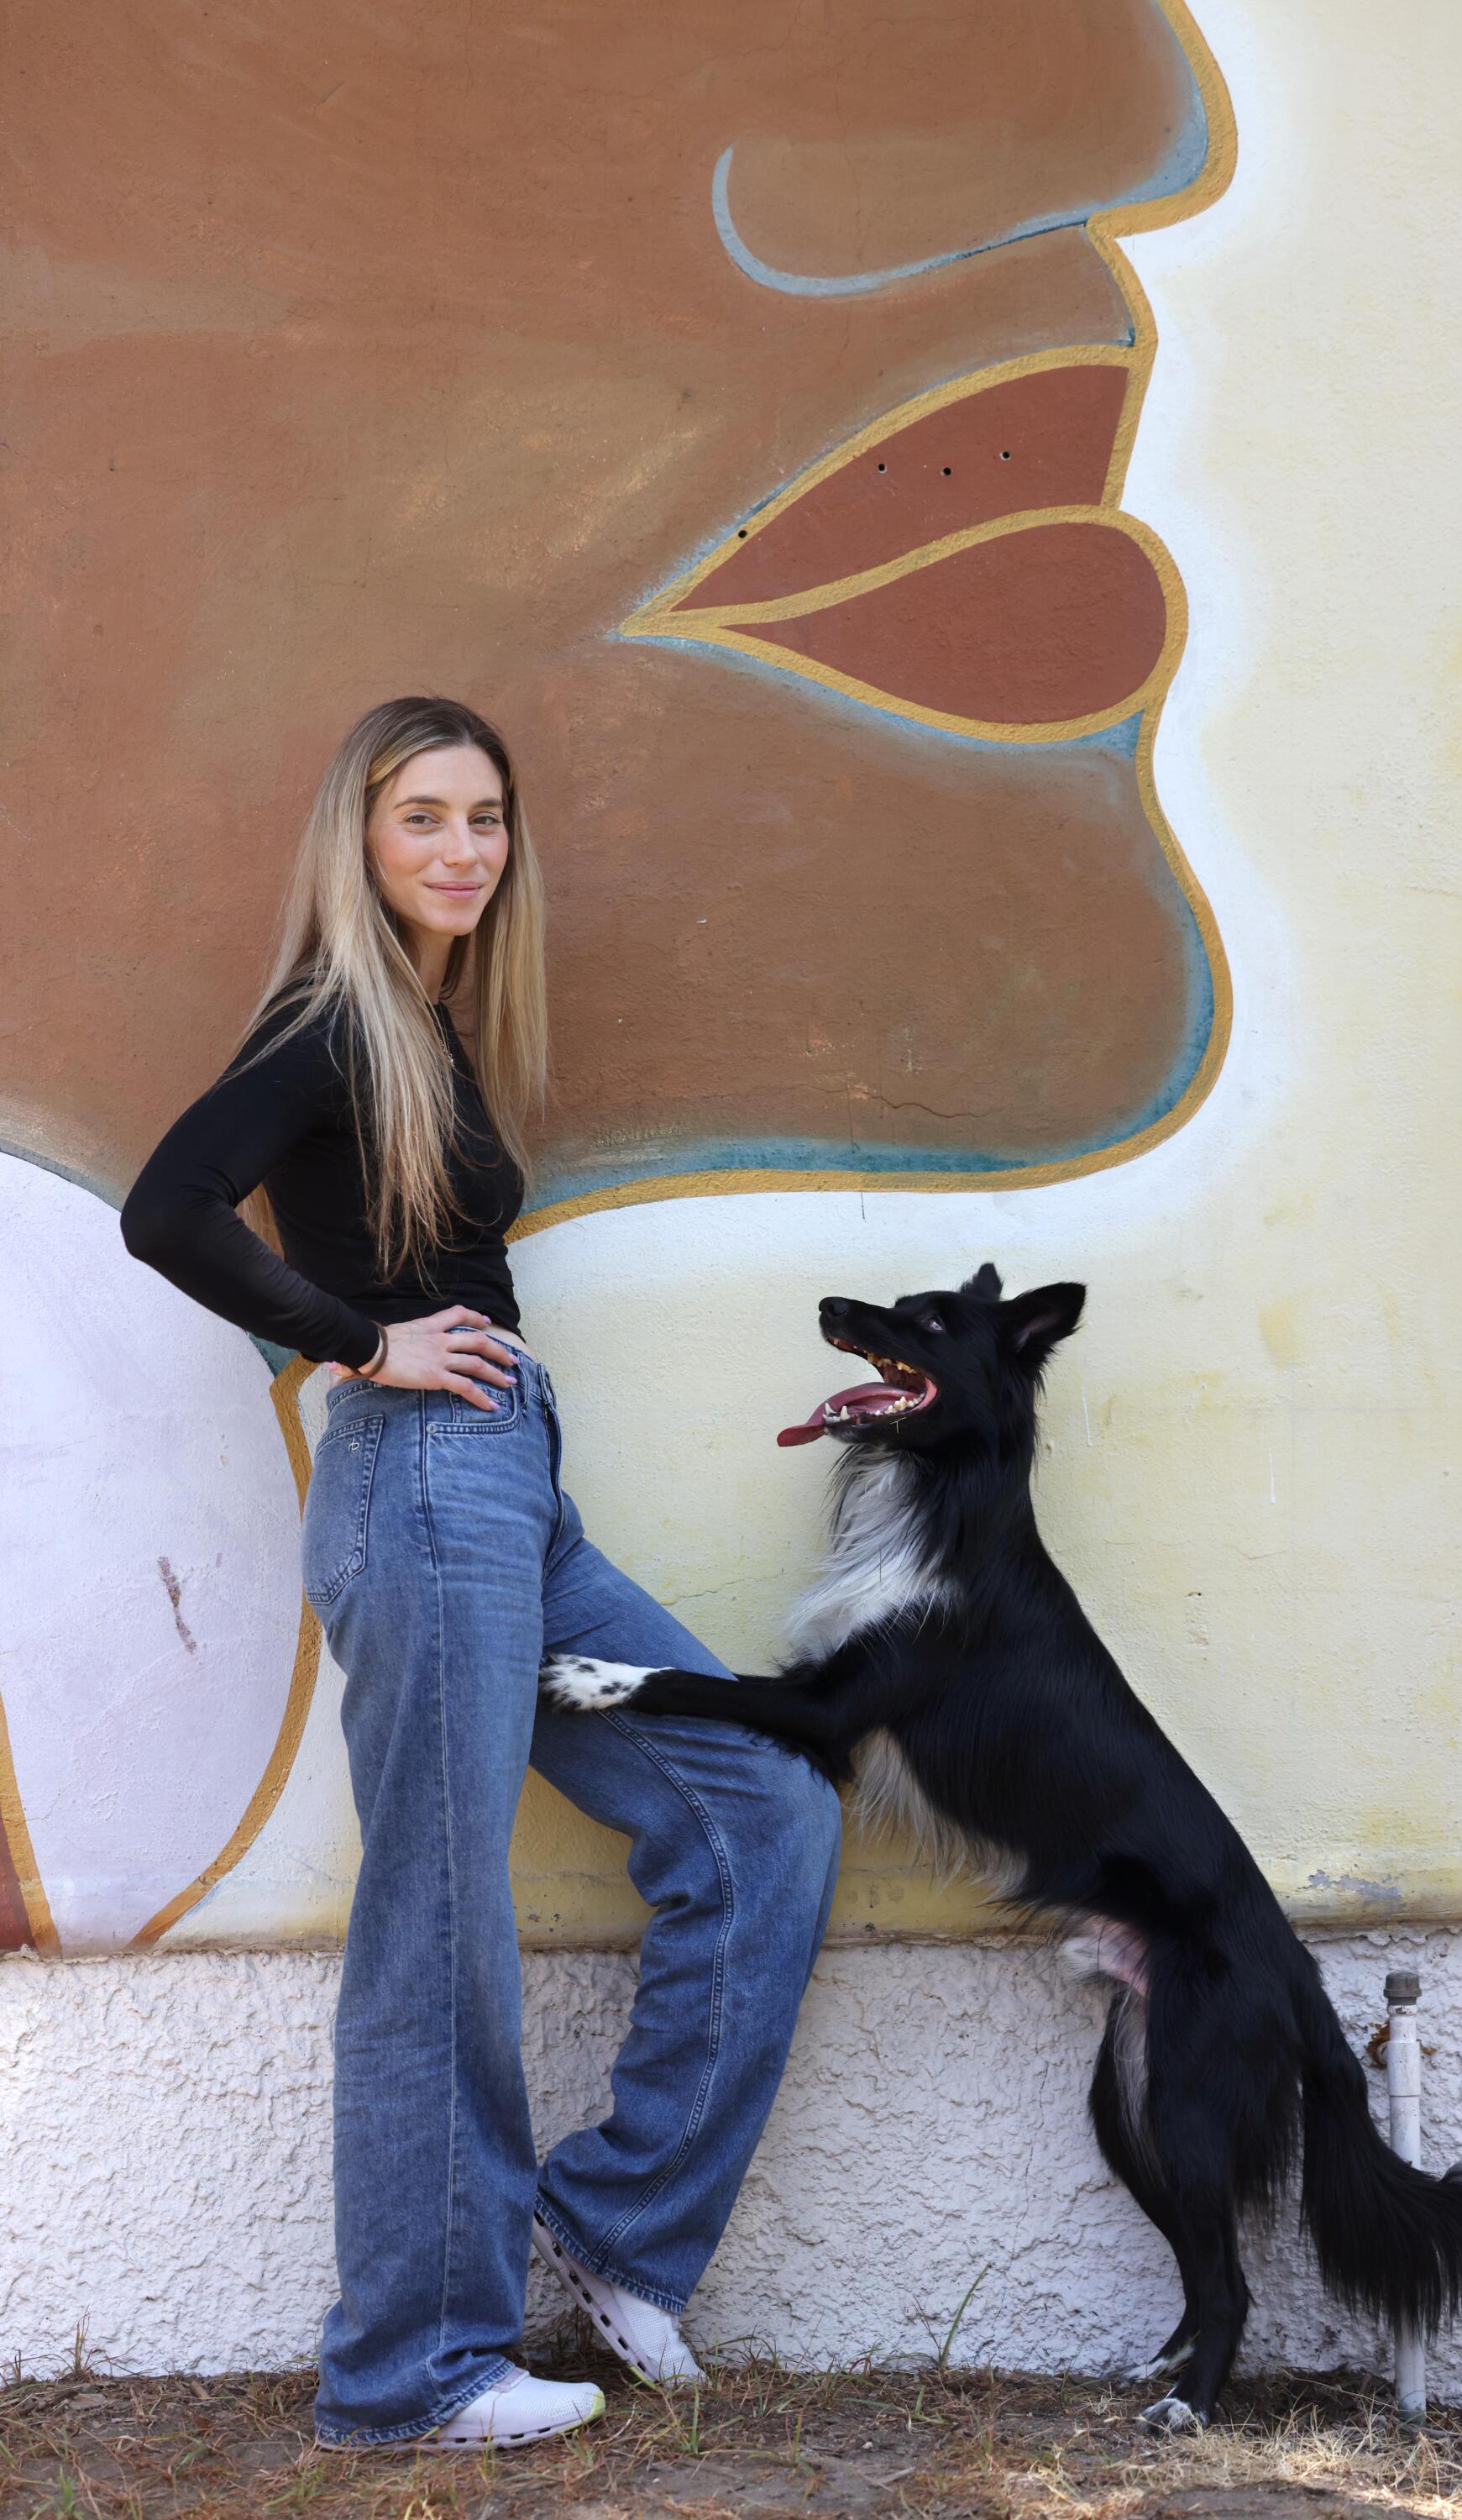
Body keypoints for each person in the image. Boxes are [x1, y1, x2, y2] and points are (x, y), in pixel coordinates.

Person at [119, 694, 843, 2452]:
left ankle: (614, 2230)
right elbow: (167, 1208)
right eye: (422, 817)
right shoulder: (328, 1020)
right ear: (356, 840)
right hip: (427, 1485)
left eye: (485, 819)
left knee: (760, 1803)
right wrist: (357, 1348)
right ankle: (410, 2371)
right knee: (439, 1930)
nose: (460, 849)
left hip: (510, 1493)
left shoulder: (422, 1026)